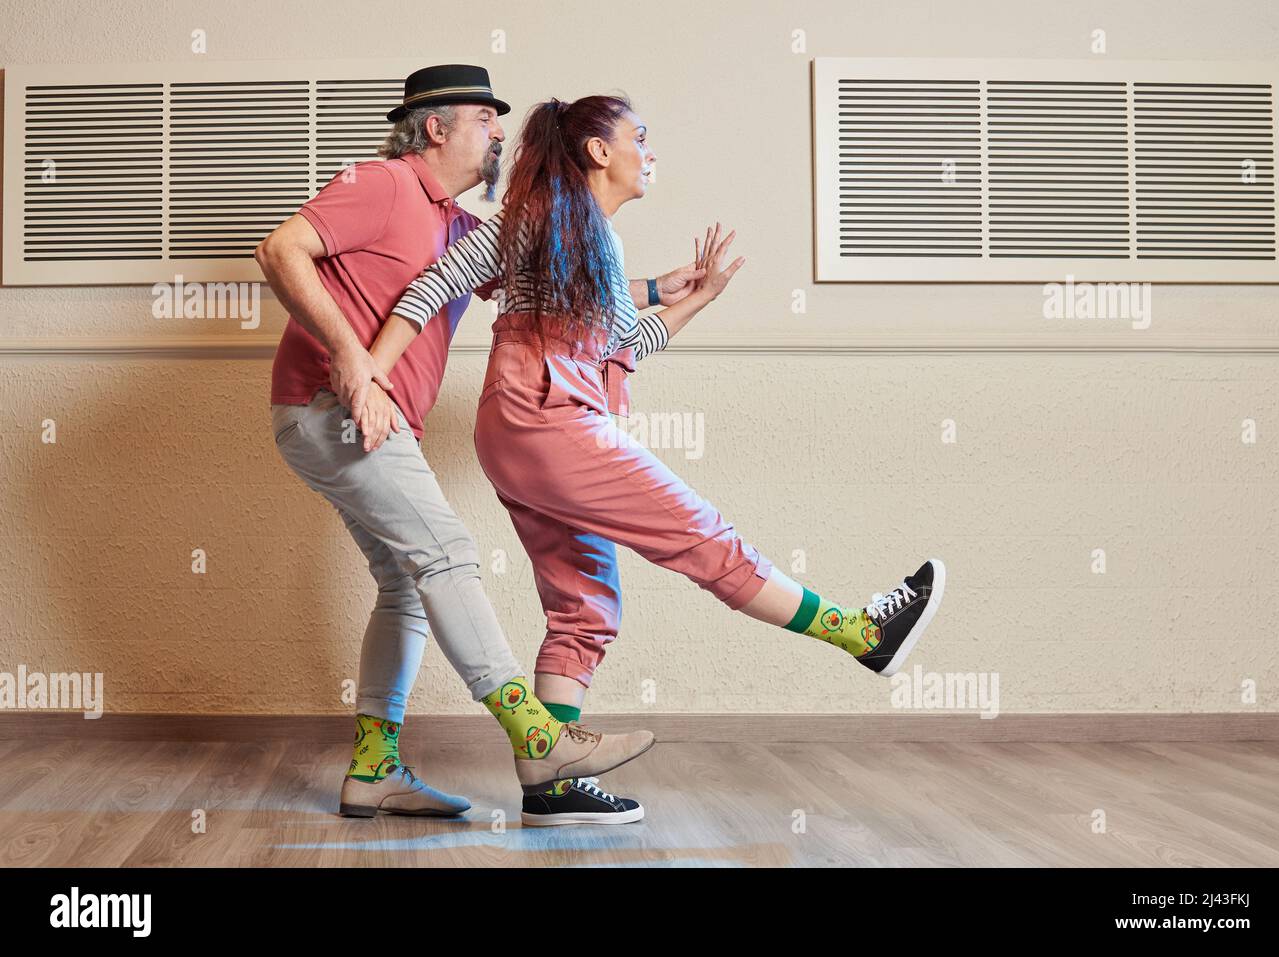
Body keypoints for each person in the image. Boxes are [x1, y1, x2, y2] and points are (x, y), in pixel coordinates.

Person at [363, 94, 948, 818]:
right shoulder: (538, 216)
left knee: (584, 606)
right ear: (599, 152)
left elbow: (625, 346)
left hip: (528, 425)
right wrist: (370, 374)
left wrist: (695, 297)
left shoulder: (589, 241)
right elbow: (437, 284)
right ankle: (863, 633)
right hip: (546, 418)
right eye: (639, 136)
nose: (650, 150)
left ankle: (552, 782)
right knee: (702, 533)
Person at [256, 68, 659, 822]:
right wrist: (350, 359)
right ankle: (538, 735)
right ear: (433, 126)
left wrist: (671, 289)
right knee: (448, 553)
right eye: (484, 117)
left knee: (407, 582)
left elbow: (568, 273)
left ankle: (374, 769)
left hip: (359, 423)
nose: (501, 131)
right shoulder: (383, 183)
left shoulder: (458, 224)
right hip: (332, 409)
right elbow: (281, 249)